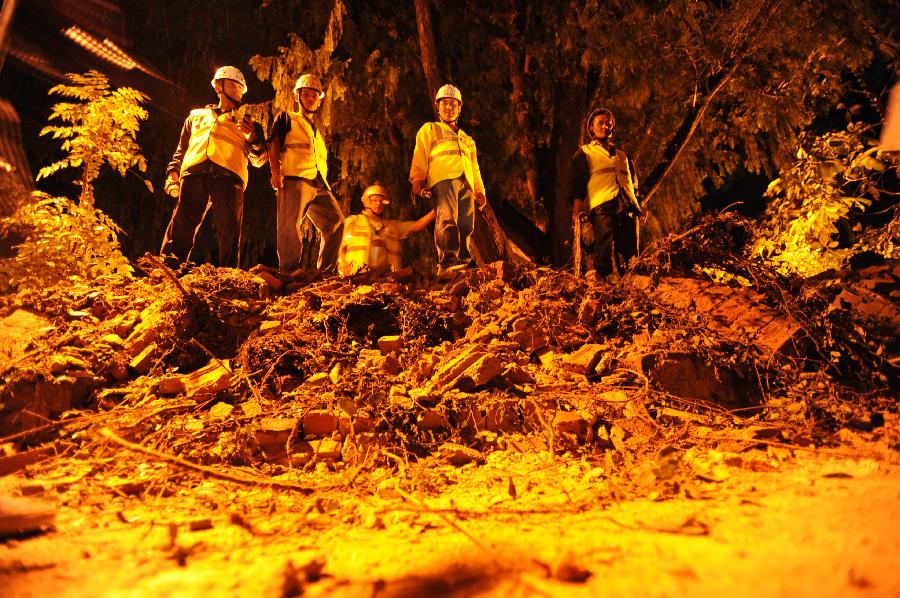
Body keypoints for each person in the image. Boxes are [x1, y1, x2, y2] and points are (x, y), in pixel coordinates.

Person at [161, 66, 267, 267]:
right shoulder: (195, 116)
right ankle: (167, 269)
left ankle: (228, 276)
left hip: (229, 176)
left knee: (229, 230)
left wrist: (251, 137)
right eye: (233, 85)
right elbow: (181, 149)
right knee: (182, 225)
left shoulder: (248, 122)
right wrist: (172, 172)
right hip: (194, 173)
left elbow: (260, 158)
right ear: (219, 86)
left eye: (240, 88)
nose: (237, 91)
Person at [267, 74, 344, 273]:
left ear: (318, 101)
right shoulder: (286, 118)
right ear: (298, 96)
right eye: (307, 94)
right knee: (289, 225)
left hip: (318, 183)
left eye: (314, 96)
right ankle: (289, 270)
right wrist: (275, 171)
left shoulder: (316, 132)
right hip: (295, 179)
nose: (310, 99)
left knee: (336, 223)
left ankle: (325, 271)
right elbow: (273, 144)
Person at [409, 83, 487, 271]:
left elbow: (474, 167)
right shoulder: (430, 129)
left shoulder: (467, 139)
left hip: (466, 182)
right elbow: (419, 156)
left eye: (453, 104)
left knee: (466, 225)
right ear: (438, 107)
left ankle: (463, 262)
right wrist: (417, 181)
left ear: (459, 108)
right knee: (447, 220)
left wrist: (479, 191)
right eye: (445, 103)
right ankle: (447, 261)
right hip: (443, 180)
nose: (449, 107)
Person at [569, 107, 643, 277]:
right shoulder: (585, 152)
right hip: (602, 205)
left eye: (608, 124)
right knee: (603, 247)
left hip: (627, 206)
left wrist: (640, 204)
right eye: (600, 123)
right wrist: (577, 208)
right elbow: (577, 183)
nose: (605, 126)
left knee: (631, 252)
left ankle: (631, 287)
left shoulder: (623, 156)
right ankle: (602, 286)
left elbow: (634, 183)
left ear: (612, 127)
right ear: (591, 129)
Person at [337, 184, 436, 276]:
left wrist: (437, 210)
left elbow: (417, 225)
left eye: (381, 201)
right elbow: (340, 246)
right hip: (357, 276)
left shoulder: (392, 226)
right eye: (374, 200)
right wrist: (342, 264)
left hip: (385, 279)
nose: (378, 203)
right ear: (367, 202)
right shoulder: (353, 221)